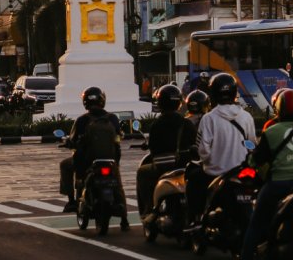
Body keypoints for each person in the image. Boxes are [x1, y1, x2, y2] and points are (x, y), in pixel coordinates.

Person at [241, 89, 293, 259]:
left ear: (279, 109)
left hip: (279, 184)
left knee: (256, 224)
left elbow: (256, 159)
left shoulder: (271, 131)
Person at [186, 73, 256, 226]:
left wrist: (210, 162)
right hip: (241, 173)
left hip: (215, 173)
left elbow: (203, 151)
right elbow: (252, 145)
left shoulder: (209, 118)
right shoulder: (246, 117)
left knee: (193, 177)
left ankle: (196, 219)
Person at [59, 86, 130, 230]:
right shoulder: (112, 118)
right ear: (102, 100)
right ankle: (124, 220)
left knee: (65, 165)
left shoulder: (82, 120)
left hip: (87, 162)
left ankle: (72, 200)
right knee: (118, 184)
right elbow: (120, 136)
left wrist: (69, 143)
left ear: (85, 102)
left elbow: (72, 140)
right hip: (110, 160)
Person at [136, 85, 197, 217]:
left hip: (163, 166)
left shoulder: (157, 124)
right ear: (179, 103)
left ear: (160, 103)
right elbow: (194, 144)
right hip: (184, 165)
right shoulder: (187, 123)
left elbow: (153, 148)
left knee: (142, 172)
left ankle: (148, 208)